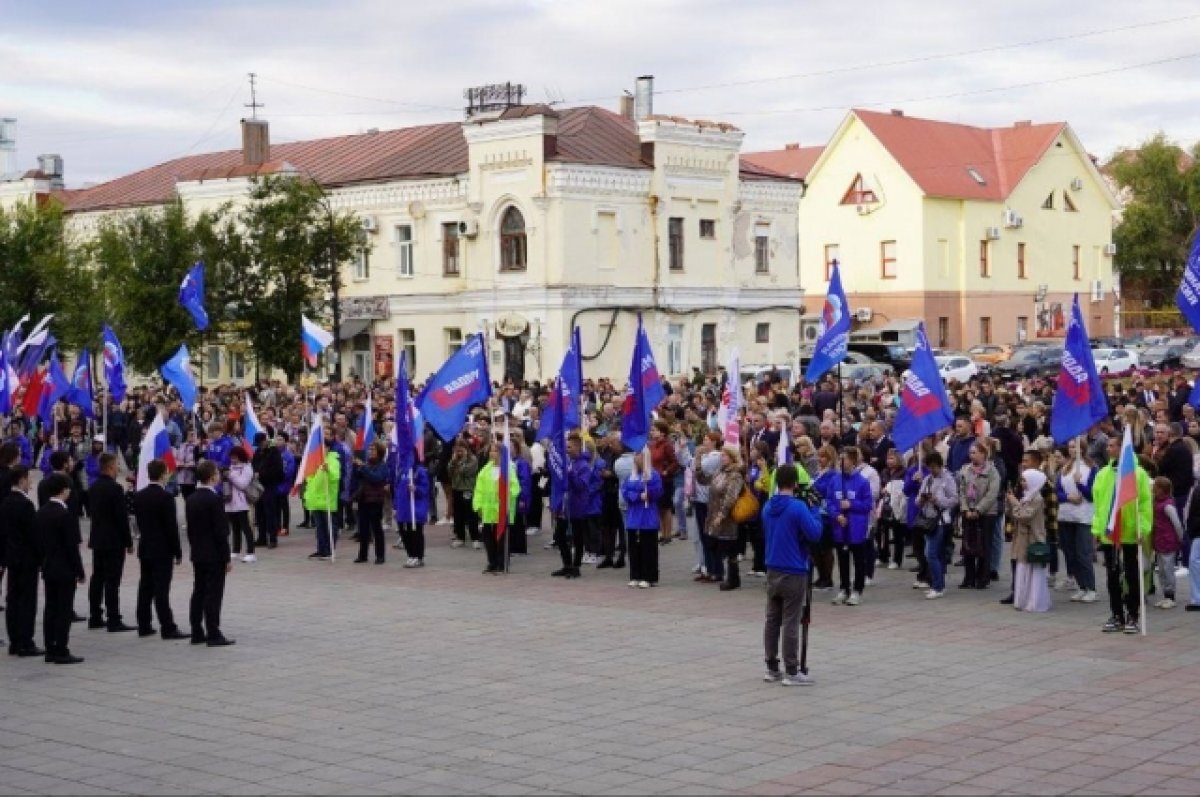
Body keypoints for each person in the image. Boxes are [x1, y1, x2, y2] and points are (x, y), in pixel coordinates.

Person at [761, 463, 824, 687]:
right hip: (794, 568)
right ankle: (791, 669)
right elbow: (815, 533)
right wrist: (816, 510)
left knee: (772, 619)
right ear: (795, 483)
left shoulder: (768, 506)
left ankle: (771, 666)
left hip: (773, 566)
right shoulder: (797, 507)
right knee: (790, 620)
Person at [1091, 436, 1152, 634]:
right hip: (1110, 533)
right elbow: (1099, 505)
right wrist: (1097, 530)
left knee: (1131, 575)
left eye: (1112, 445)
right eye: (1107, 445)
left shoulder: (1138, 475)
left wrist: (1142, 528)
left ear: (1122, 448)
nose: (1108, 449)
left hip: (1130, 533)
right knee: (1112, 575)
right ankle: (1116, 613)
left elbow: (1144, 505)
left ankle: (1132, 614)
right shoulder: (1102, 474)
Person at [132, 459, 188, 639]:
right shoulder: (166, 498)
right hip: (162, 549)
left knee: (145, 586)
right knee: (161, 589)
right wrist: (178, 551)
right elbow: (171, 527)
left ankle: (143, 624)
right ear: (164, 474)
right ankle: (167, 626)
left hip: (146, 546)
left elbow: (139, 522)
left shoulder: (139, 495)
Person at [185, 461, 234, 646]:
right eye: (216, 473)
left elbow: (190, 529)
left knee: (198, 591)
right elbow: (220, 531)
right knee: (213, 594)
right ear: (212, 477)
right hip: (213, 554)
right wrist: (226, 556)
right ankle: (213, 632)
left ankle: (196, 631)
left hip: (198, 552)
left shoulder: (191, 498)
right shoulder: (214, 499)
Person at [39, 474, 86, 664]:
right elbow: (71, 547)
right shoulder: (65, 515)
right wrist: (79, 570)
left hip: (49, 566)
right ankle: (61, 649)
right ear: (64, 490)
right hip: (65, 568)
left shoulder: (41, 512)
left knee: (50, 608)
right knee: (64, 610)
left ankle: (50, 648)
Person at [86, 452, 135, 632]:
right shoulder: (115, 489)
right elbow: (121, 518)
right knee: (112, 580)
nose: (119, 468)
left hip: (98, 538)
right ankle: (114, 618)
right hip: (113, 540)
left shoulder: (94, 487)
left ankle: (95, 615)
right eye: (117, 465)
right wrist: (128, 541)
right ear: (110, 467)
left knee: (97, 577)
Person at [3, 466, 44, 656]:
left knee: (13, 598)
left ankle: (14, 640)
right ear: (21, 480)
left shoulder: (5, 503)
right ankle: (25, 641)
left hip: (11, 558)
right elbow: (33, 534)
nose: (30, 483)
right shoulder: (25, 505)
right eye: (28, 479)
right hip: (27, 558)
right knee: (27, 600)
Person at [826, 448, 872, 606]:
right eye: (840, 459)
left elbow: (867, 505)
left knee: (859, 560)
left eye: (844, 459)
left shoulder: (862, 482)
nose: (841, 462)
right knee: (842, 559)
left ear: (853, 461)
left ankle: (857, 590)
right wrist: (836, 515)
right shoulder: (835, 480)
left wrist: (851, 504)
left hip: (856, 528)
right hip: (840, 527)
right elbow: (829, 501)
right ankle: (844, 588)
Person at [1056, 443, 1098, 603]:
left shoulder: (1091, 468)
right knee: (1070, 553)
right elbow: (1058, 491)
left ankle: (1091, 588)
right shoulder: (1065, 468)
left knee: (1083, 553)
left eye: (1077, 447)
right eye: (1071, 447)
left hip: (1083, 516)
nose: (1073, 450)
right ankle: (1081, 586)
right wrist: (1068, 497)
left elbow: (1092, 495)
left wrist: (1080, 484)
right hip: (1066, 515)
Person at [473, 441, 521, 574]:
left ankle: (502, 563)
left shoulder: (508, 469)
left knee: (501, 539)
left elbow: (515, 487)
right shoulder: (485, 470)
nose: (491, 453)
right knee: (488, 538)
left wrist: (507, 496)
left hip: (502, 510)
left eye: (494, 451)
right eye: (491, 451)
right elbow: (479, 490)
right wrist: (478, 506)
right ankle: (492, 562)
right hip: (488, 511)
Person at [958, 442, 1000, 590]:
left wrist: (978, 510)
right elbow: (961, 490)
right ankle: (968, 577)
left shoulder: (992, 472)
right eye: (970, 452)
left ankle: (983, 577)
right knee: (968, 545)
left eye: (975, 452)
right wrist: (965, 509)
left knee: (984, 545)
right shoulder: (965, 470)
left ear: (983, 454)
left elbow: (992, 494)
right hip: (968, 511)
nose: (972, 455)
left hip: (987, 513)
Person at [917, 451, 958, 600]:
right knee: (937, 554)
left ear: (940, 465)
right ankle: (939, 584)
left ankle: (937, 586)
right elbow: (917, 499)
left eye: (935, 467)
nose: (932, 470)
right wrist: (921, 500)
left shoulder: (948, 478)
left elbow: (954, 499)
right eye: (930, 467)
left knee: (931, 554)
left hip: (940, 520)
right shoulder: (927, 479)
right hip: (927, 519)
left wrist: (938, 500)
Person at [1008, 468, 1051, 612]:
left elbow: (1025, 516)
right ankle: (1022, 599)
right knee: (1023, 568)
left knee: (1032, 569)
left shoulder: (1036, 498)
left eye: (1025, 480)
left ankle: (1033, 601)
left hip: (1032, 539)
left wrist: (1014, 504)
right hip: (1023, 538)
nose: (1022, 483)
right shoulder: (1027, 496)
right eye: (1022, 480)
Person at [706, 446, 746, 592]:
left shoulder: (735, 475)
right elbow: (705, 480)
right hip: (714, 513)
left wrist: (722, 514)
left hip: (729, 518)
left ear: (732, 458)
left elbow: (731, 496)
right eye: (721, 455)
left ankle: (733, 578)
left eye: (724, 456)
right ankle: (727, 574)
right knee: (717, 544)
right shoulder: (719, 472)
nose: (721, 458)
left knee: (730, 548)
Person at [622, 451, 662, 588]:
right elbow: (625, 491)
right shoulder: (631, 476)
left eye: (639, 455)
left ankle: (649, 576)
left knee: (648, 548)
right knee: (633, 548)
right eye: (635, 455)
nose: (636, 458)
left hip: (647, 517)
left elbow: (657, 491)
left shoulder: (653, 475)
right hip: (633, 517)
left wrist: (649, 493)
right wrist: (637, 496)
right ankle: (635, 575)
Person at [1149, 476, 1183, 610]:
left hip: (1167, 541)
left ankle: (1171, 596)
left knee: (1168, 569)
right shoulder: (1156, 502)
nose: (1153, 489)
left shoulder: (1167, 505)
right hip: (1159, 540)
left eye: (1155, 487)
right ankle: (1165, 595)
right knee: (1162, 570)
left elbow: (1177, 524)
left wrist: (1180, 538)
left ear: (1162, 489)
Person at [353, 441, 389, 564]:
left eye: (373, 450)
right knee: (363, 529)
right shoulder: (367, 464)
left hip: (375, 500)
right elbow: (358, 477)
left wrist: (363, 468)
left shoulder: (382, 465)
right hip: (364, 499)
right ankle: (362, 555)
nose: (370, 452)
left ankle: (380, 555)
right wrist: (356, 468)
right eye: (369, 449)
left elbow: (376, 478)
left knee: (376, 528)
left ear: (379, 452)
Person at [304, 445, 342, 561]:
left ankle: (330, 550)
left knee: (330, 526)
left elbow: (335, 476)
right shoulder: (315, 461)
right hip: (316, 500)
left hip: (327, 499)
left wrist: (328, 470)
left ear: (328, 449)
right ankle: (321, 549)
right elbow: (309, 477)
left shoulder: (332, 460)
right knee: (319, 527)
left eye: (323, 448)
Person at [394, 459, 429, 568]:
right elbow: (397, 489)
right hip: (403, 508)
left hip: (416, 509)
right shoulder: (401, 471)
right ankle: (410, 555)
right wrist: (395, 507)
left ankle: (418, 557)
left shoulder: (420, 471)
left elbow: (425, 489)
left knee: (416, 532)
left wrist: (416, 489)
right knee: (404, 532)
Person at [224, 447, 256, 563]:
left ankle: (251, 552)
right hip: (230, 501)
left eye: (235, 457)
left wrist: (231, 476)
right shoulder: (231, 467)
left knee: (245, 527)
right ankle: (236, 550)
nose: (233, 459)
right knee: (235, 527)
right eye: (231, 457)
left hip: (242, 502)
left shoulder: (247, 468)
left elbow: (243, 484)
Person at [448, 440, 480, 549]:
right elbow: (450, 471)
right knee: (458, 515)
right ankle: (460, 537)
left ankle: (475, 538)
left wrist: (461, 461)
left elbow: (465, 471)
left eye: (461, 448)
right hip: (457, 488)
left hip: (468, 489)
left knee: (471, 514)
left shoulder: (472, 459)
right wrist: (453, 461)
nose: (459, 452)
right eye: (457, 449)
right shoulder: (455, 459)